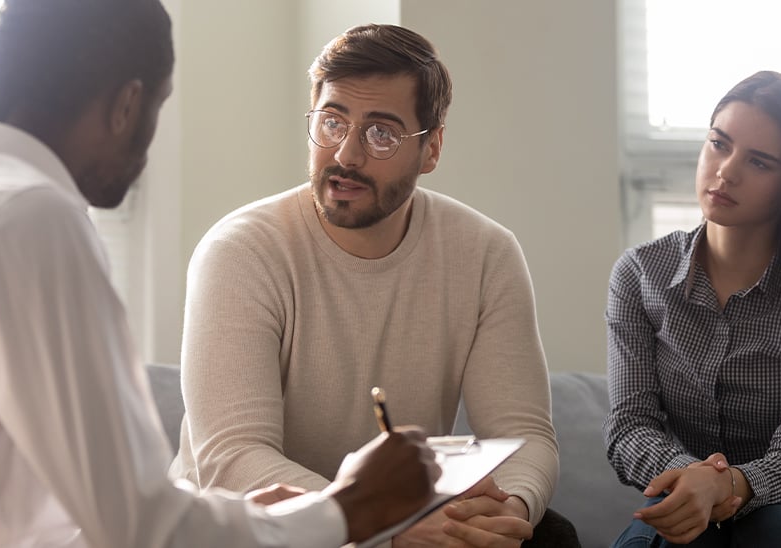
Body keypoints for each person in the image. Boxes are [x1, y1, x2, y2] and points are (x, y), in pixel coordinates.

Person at [0, 2, 441, 547]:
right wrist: (351, 507)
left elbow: (39, 520)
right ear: (128, 104)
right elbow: (142, 529)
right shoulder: (29, 221)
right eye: (159, 106)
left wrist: (261, 522)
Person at [169, 23, 560, 547]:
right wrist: (383, 524)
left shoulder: (486, 254)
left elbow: (524, 437)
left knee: (552, 534)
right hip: (256, 532)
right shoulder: (240, 251)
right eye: (332, 123)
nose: (346, 154)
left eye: (381, 133)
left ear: (431, 149)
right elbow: (233, 458)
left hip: (401, 520)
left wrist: (508, 510)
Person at [603, 71, 781, 548]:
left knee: (777, 531)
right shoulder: (639, 275)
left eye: (759, 162)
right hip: (682, 502)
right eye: (719, 143)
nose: (726, 171)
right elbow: (630, 427)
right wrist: (695, 481)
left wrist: (725, 486)